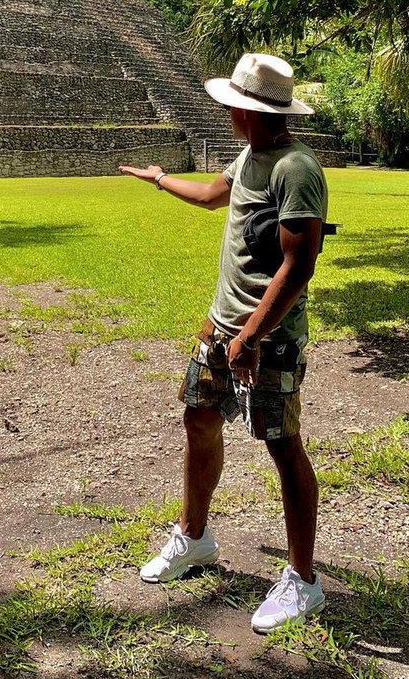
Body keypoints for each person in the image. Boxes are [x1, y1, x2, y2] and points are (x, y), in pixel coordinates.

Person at [118, 52, 328, 633]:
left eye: (231, 104)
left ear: (246, 108)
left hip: (269, 339)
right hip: (220, 326)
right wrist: (158, 178)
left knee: (283, 445)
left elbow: (299, 264)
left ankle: (303, 581)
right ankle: (194, 536)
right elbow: (214, 195)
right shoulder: (251, 156)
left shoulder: (296, 169)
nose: (227, 111)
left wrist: (251, 337)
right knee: (198, 417)